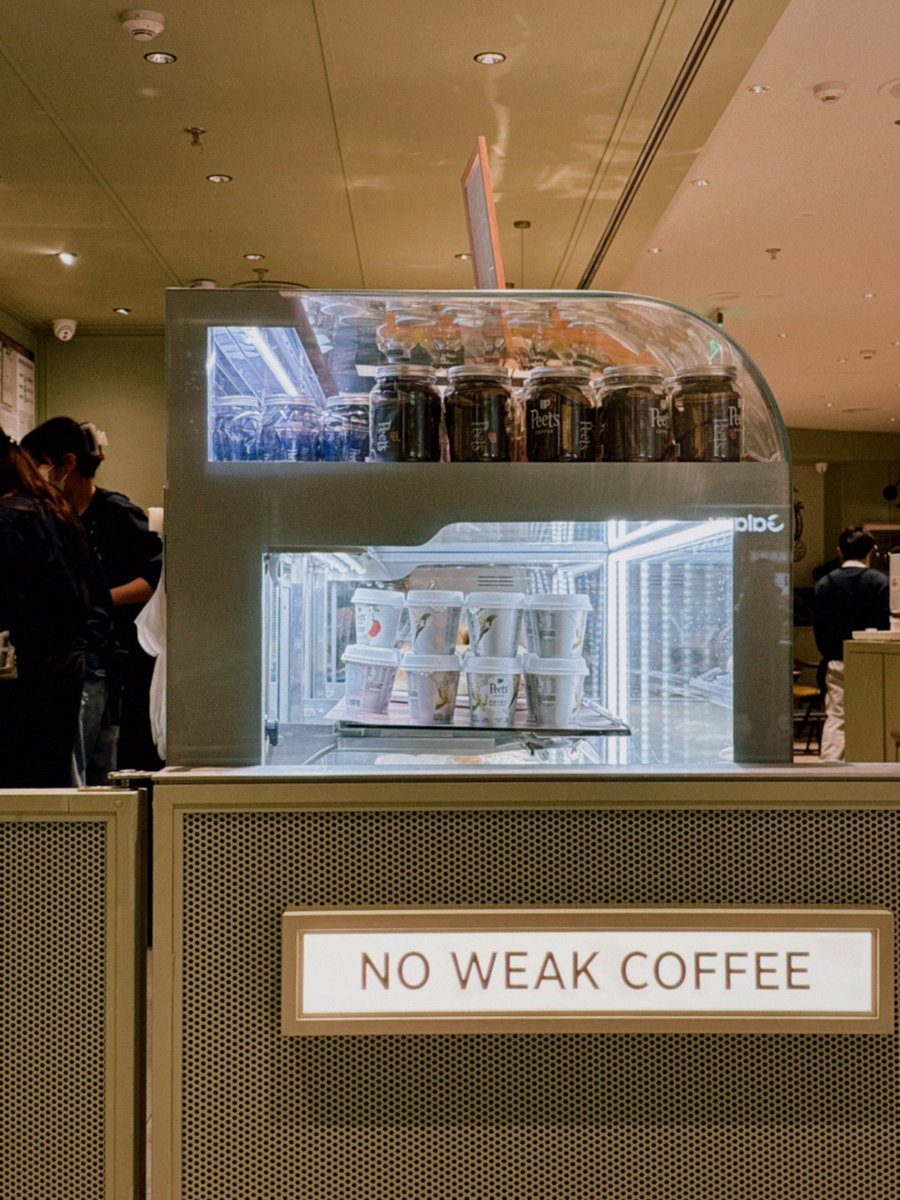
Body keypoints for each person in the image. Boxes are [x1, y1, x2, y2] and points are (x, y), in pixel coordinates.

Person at [22, 417, 164, 775]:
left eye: (38, 465)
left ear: (67, 464)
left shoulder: (117, 513)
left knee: (103, 757)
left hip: (115, 657)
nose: (35, 476)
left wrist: (96, 599)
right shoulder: (53, 516)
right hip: (75, 655)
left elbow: (154, 579)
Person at [0, 425, 94, 787]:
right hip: (62, 667)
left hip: (27, 675)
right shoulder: (54, 509)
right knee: (47, 786)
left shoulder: (10, 519)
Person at [813, 526, 889, 761]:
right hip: (874, 661)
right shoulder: (880, 582)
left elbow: (820, 630)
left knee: (837, 717)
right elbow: (886, 625)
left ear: (839, 551)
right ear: (871, 551)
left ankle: (830, 769)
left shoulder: (824, 584)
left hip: (837, 660)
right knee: (875, 716)